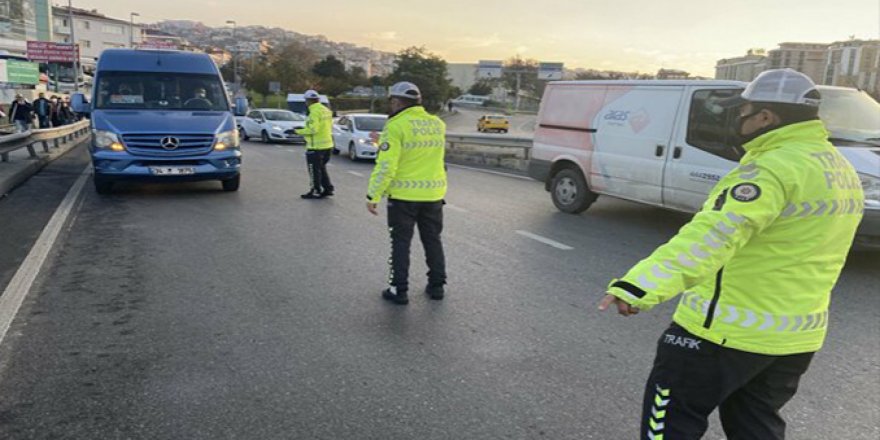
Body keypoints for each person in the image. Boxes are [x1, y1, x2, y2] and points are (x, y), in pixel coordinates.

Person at [597, 68, 864, 440]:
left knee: (668, 424)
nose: (737, 119)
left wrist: (639, 286)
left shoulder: (769, 169)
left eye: (743, 111)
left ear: (766, 117)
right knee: (756, 428)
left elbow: (710, 237)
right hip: (794, 339)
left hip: (721, 333)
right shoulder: (839, 168)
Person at [366, 81, 447, 305]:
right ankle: (437, 285)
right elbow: (420, 153)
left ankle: (398, 289)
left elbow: (387, 166)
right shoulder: (437, 124)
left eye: (391, 101)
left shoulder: (395, 126)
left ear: (396, 101)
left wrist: (373, 195)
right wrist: (381, 143)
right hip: (433, 195)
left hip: (403, 198)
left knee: (400, 244)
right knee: (433, 241)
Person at [294, 90, 335, 199]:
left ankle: (315, 190)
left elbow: (313, 129)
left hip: (315, 146)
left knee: (313, 170)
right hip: (328, 145)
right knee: (321, 168)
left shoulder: (314, 112)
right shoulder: (326, 110)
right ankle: (327, 188)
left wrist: (298, 131)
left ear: (308, 101)